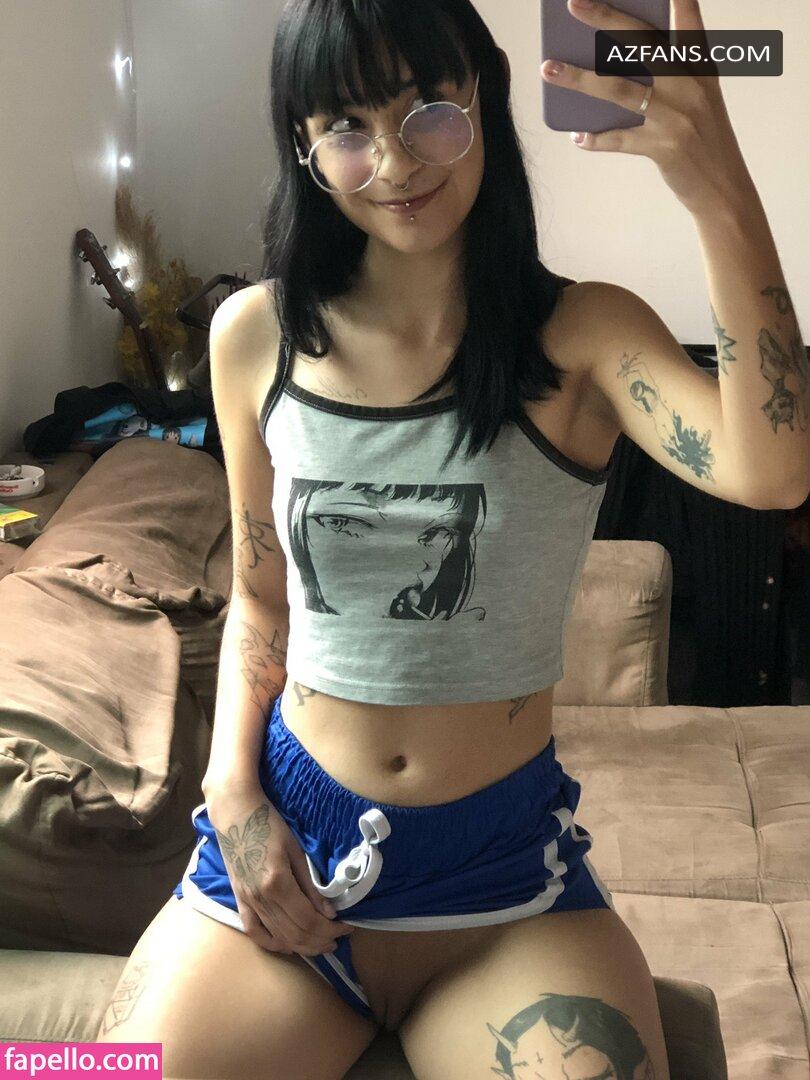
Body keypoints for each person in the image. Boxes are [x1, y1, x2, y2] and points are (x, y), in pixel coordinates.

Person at [95, 0, 803, 1074]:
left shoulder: (582, 338)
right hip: (289, 857)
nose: (393, 161)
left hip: (503, 889)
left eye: (429, 108)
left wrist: (714, 184)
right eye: (347, 125)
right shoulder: (254, 339)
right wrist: (229, 793)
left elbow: (774, 469)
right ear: (304, 145)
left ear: (484, 96)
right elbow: (262, 594)